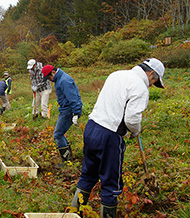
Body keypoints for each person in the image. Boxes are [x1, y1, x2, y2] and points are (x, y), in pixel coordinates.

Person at [70, 58, 165, 217]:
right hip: (109, 136)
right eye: (154, 81)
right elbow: (132, 118)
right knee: (110, 183)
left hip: (91, 128)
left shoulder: (116, 74)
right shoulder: (140, 87)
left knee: (88, 173)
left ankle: (74, 212)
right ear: (151, 73)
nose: (151, 85)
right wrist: (135, 131)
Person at [41, 65, 83, 164]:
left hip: (69, 111)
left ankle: (67, 161)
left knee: (58, 134)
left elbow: (73, 97)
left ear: (53, 72)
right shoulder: (59, 79)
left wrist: (75, 113)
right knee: (59, 134)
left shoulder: (64, 81)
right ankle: (68, 159)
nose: (50, 80)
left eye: (49, 77)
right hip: (65, 109)